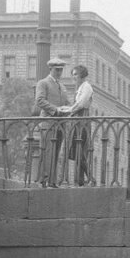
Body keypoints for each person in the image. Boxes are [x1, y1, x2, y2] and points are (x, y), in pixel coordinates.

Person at [34, 57, 69, 187]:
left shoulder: (62, 86)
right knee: (48, 151)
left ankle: (52, 181)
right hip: (48, 123)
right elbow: (39, 100)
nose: (59, 72)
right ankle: (43, 180)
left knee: (56, 152)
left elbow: (66, 102)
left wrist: (70, 108)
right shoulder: (43, 83)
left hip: (60, 125)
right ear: (50, 69)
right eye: (57, 70)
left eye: (61, 70)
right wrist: (55, 110)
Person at [63, 65, 93, 186]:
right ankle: (80, 181)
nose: (74, 77)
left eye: (75, 74)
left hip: (82, 119)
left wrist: (69, 110)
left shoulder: (87, 87)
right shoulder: (81, 87)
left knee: (80, 150)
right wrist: (69, 109)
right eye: (73, 74)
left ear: (82, 75)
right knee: (77, 150)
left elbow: (81, 103)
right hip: (77, 119)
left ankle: (91, 178)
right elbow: (77, 104)